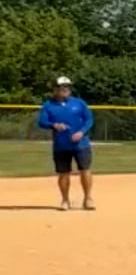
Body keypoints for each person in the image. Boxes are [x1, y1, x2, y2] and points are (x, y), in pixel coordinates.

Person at [36, 76, 95, 211]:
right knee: (64, 173)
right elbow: (42, 122)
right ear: (54, 89)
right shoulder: (48, 105)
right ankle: (65, 200)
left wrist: (81, 132)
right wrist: (54, 125)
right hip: (61, 145)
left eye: (67, 87)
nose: (65, 90)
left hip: (81, 144)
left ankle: (88, 199)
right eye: (61, 87)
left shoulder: (79, 103)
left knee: (85, 170)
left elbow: (89, 120)